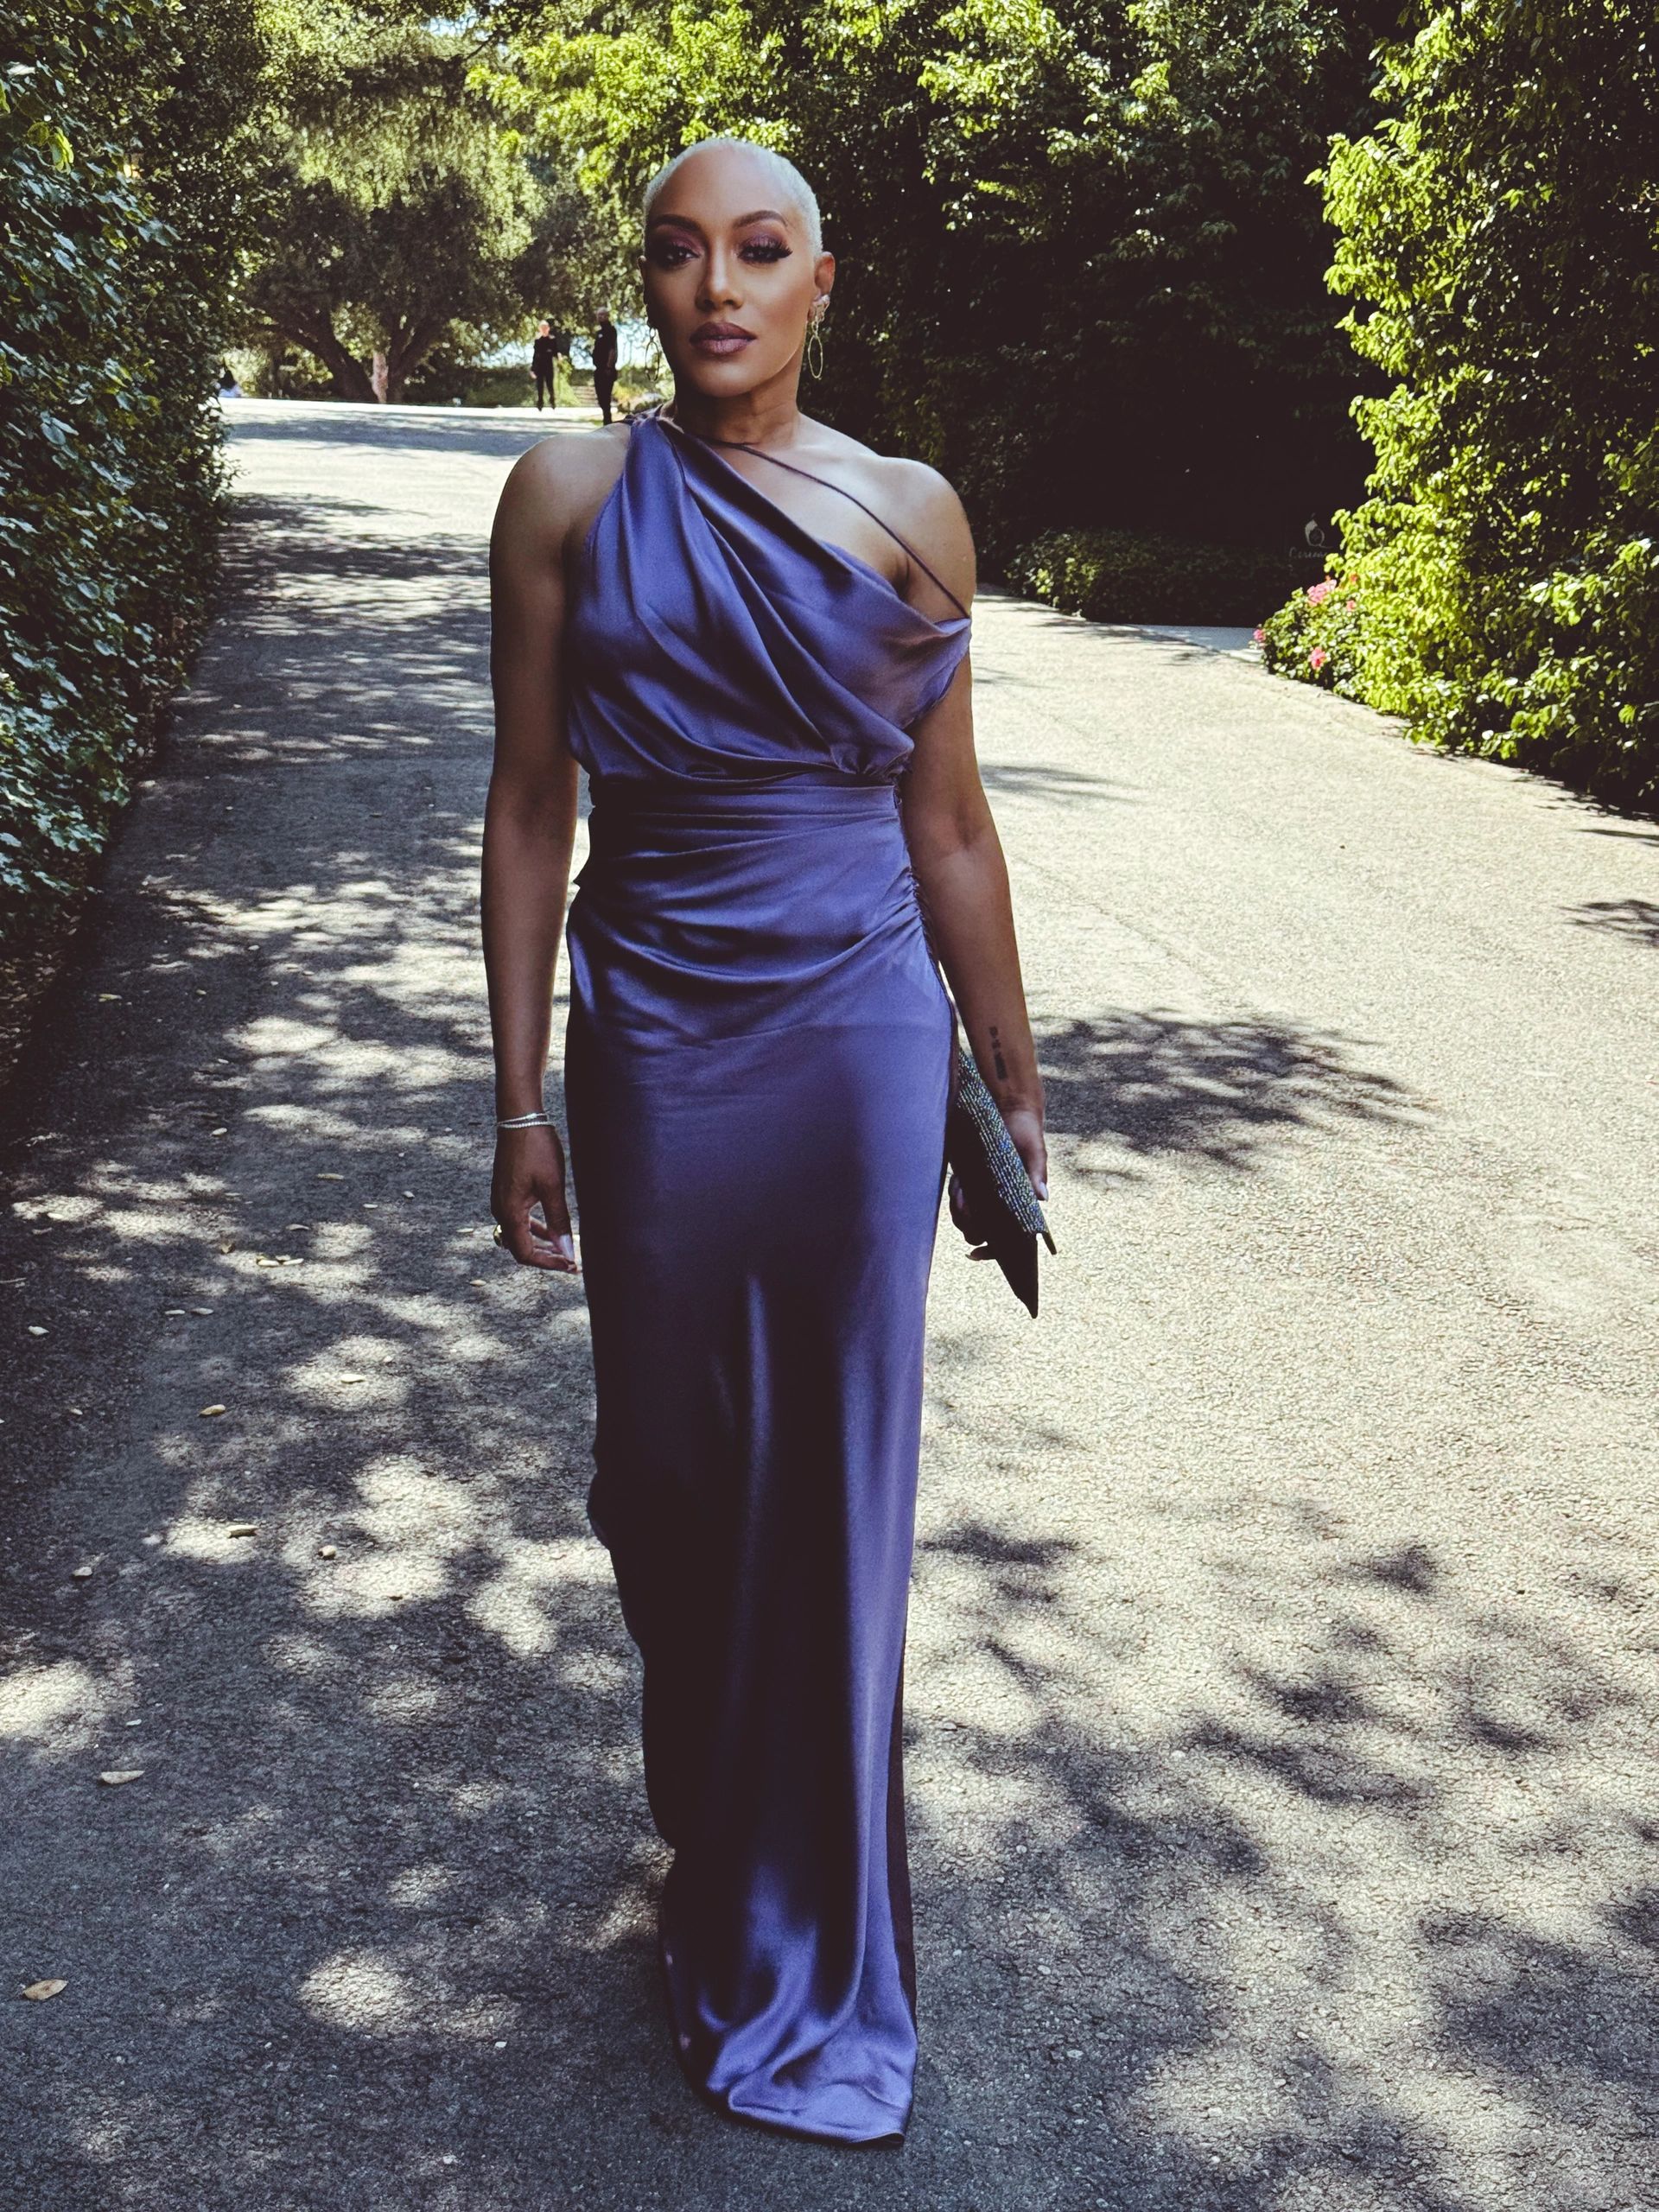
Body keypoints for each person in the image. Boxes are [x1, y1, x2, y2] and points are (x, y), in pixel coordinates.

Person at [482, 135, 1046, 2145]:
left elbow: (950, 821)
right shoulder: (564, 494)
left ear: (825, 280)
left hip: (858, 1049)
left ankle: (798, 1927)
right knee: (666, 1474)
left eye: (762, 249)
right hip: (650, 1036)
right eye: (678, 253)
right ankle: (714, 1814)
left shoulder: (914, 516)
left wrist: (1011, 1064)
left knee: (834, 1486)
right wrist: (521, 1089)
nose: (717, 285)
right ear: (647, 287)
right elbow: (533, 804)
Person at [591, 308, 619, 423]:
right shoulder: (599, 333)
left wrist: (609, 366)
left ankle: (607, 423)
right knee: (601, 399)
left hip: (607, 370)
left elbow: (613, 349)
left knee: (606, 398)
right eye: (598, 315)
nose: (600, 317)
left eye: (602, 315)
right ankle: (606, 421)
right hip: (598, 370)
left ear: (607, 316)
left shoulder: (611, 330)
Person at [531, 320, 558, 412]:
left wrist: (559, 357)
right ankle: (540, 403)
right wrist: (533, 369)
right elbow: (535, 355)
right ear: (539, 329)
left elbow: (555, 352)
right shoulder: (537, 340)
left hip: (549, 366)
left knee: (550, 384)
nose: (543, 329)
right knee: (539, 385)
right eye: (542, 328)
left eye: (545, 328)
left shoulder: (552, 339)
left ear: (548, 329)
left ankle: (552, 401)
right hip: (539, 366)